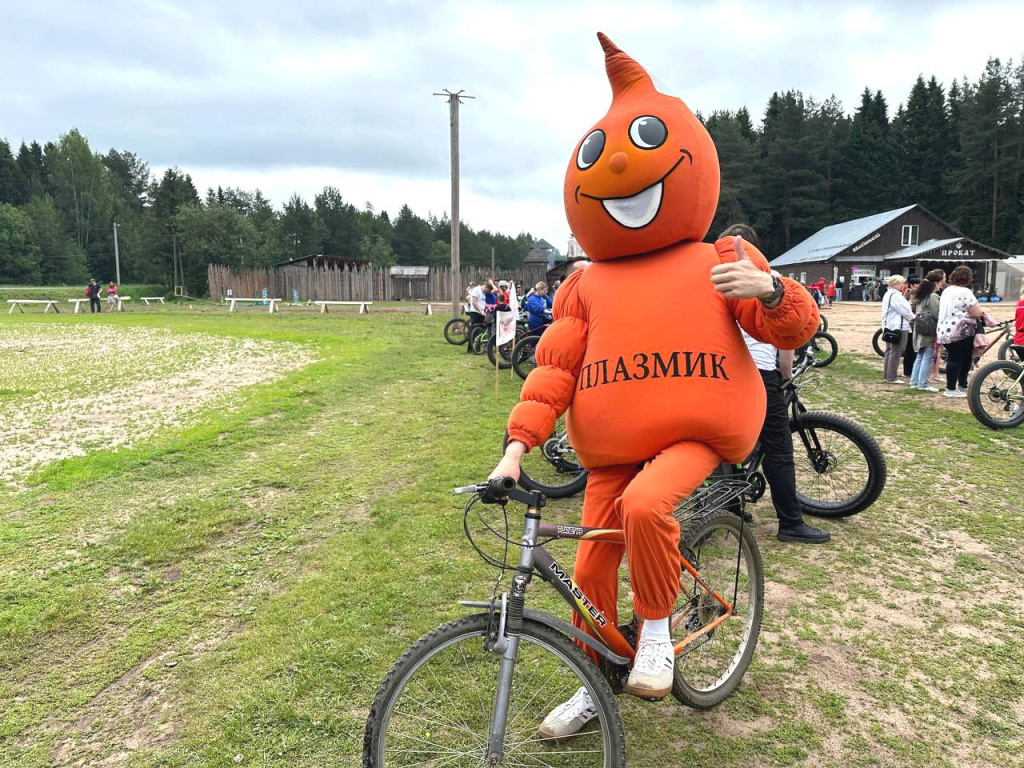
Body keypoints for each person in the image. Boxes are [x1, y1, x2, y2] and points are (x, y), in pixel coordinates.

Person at [490, 34, 819, 738]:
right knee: (589, 564)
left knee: (646, 507)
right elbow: (554, 371)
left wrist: (770, 288)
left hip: (697, 430)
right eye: (597, 157)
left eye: (641, 142)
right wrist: (517, 447)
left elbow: (793, 328)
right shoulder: (585, 285)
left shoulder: (720, 258)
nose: (615, 166)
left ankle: (658, 636)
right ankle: (593, 683)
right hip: (611, 448)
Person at [722, 225, 829, 544]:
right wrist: (785, 373)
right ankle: (791, 522)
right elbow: (785, 336)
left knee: (725, 442)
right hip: (759, 371)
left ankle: (730, 507)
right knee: (778, 446)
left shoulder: (717, 277)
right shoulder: (770, 278)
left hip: (722, 372)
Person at [937, 266, 984, 397]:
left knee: (961, 358)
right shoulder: (965, 292)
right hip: (961, 331)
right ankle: (951, 388)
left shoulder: (947, 290)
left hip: (944, 329)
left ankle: (962, 386)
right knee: (958, 359)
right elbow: (976, 312)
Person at [909, 275, 940, 391]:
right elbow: (937, 313)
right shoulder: (932, 296)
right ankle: (922, 384)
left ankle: (914, 381)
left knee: (920, 357)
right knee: (927, 357)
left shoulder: (921, 296)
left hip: (920, 329)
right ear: (935, 283)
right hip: (929, 330)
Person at [881, 276, 914, 384]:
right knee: (896, 351)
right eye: (902, 283)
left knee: (889, 351)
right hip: (898, 326)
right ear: (895, 284)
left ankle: (887, 375)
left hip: (889, 325)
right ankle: (891, 377)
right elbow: (904, 310)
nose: (903, 285)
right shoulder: (896, 295)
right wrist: (913, 318)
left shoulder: (888, 294)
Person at [902, 276, 922, 378]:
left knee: (911, 348)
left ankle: (909, 370)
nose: (918, 285)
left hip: (912, 326)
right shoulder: (910, 293)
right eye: (916, 283)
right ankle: (909, 370)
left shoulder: (910, 293)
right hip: (911, 326)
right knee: (910, 348)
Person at [465, 281, 489, 354]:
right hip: (475, 312)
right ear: (485, 286)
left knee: (481, 331)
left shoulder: (484, 292)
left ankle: (477, 348)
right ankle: (470, 348)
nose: (487, 292)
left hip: (482, 313)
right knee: (473, 330)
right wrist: (480, 312)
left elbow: (483, 302)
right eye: (487, 290)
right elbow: (474, 302)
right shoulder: (476, 290)